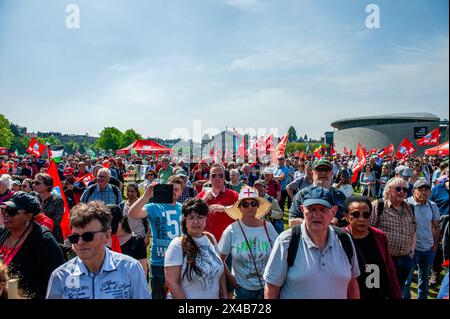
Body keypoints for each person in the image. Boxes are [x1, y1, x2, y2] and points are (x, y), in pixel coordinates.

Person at [263, 186, 360, 299]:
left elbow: (352, 285)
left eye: (323, 209)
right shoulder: (286, 241)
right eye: (311, 209)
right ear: (303, 210)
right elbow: (271, 288)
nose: (317, 214)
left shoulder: (345, 240)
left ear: (334, 211)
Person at [46, 201, 151, 299]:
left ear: (106, 236)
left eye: (88, 236)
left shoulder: (130, 269)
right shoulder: (60, 276)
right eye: (75, 237)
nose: (80, 242)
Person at [0, 192, 65, 299]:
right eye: (4, 209)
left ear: (28, 216)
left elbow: (57, 279)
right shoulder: (2, 232)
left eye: (12, 211)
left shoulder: (43, 240)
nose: (6, 214)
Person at [128, 175, 184, 299]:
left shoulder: (183, 208)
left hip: (178, 261)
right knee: (158, 295)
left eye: (177, 189)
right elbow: (132, 213)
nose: (174, 192)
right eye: (171, 188)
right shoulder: (154, 206)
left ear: (181, 192)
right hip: (158, 261)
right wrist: (146, 195)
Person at [219, 187, 278, 299]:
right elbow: (219, 258)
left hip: (266, 287)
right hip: (242, 290)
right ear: (240, 208)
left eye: (253, 203)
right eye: (245, 204)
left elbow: (279, 254)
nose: (250, 207)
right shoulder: (231, 230)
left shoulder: (268, 227)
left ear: (257, 206)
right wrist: (230, 278)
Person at [164, 198, 227, 299]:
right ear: (185, 221)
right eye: (191, 218)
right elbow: (171, 282)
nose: (196, 222)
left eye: (200, 217)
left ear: (205, 219)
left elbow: (219, 269)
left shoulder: (211, 238)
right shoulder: (177, 245)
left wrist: (224, 295)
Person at [343, 195, 402, 299]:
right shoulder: (340, 238)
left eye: (366, 214)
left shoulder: (379, 236)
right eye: (355, 214)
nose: (361, 219)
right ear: (346, 216)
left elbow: (389, 269)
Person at [370, 177, 416, 293]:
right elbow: (367, 231)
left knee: (396, 292)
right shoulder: (378, 205)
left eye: (405, 190)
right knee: (375, 292)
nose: (402, 192)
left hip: (404, 260)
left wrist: (411, 251)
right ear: (388, 190)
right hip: (381, 261)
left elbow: (413, 230)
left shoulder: (410, 208)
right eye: (398, 189)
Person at [403, 180, 440, 299]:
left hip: (428, 248)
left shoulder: (432, 205)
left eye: (426, 190)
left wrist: (434, 245)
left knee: (424, 279)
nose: (424, 193)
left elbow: (436, 227)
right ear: (413, 191)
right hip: (411, 249)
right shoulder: (406, 204)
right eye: (420, 190)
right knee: (407, 280)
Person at [289, 159, 347, 228]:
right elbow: (292, 222)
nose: (323, 173)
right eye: (319, 170)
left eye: (326, 170)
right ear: (312, 173)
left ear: (331, 174)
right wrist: (322, 221)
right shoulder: (302, 195)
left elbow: (347, 220)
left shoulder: (340, 195)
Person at [33, 173, 65, 244]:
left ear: (47, 186)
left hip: (53, 236)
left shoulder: (58, 200)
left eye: (37, 183)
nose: (34, 185)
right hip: (35, 235)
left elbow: (56, 221)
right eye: (33, 182)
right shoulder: (33, 198)